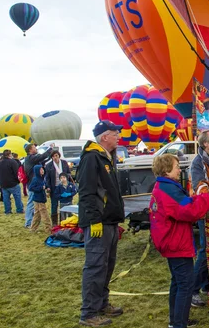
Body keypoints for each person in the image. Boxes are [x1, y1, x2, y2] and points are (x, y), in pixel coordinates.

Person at [149, 154, 209, 328]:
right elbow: (189, 211)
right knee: (186, 285)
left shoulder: (165, 186)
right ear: (166, 170)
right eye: (176, 166)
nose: (180, 169)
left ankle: (176, 320)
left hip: (171, 241)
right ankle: (179, 324)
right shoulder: (168, 189)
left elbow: (185, 202)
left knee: (177, 283)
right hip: (176, 243)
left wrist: (198, 198)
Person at [78, 120, 125, 327]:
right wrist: (94, 219)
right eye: (115, 134)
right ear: (104, 136)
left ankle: (102, 303)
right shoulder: (91, 158)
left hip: (109, 221)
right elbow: (87, 192)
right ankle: (88, 313)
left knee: (107, 265)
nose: (118, 137)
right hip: (99, 222)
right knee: (96, 266)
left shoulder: (106, 157)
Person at [189, 130, 209, 307]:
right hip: (206, 211)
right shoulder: (198, 162)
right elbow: (199, 185)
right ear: (206, 144)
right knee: (206, 249)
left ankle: (207, 286)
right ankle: (192, 290)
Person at [24, 143, 55, 228]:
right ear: (30, 150)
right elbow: (42, 157)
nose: (36, 148)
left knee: (36, 207)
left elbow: (43, 159)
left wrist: (50, 155)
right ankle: (28, 222)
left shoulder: (33, 159)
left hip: (36, 184)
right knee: (31, 204)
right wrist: (50, 148)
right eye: (34, 147)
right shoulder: (30, 158)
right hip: (33, 185)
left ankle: (33, 224)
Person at [44, 151, 72, 226]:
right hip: (54, 187)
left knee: (65, 204)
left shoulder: (64, 163)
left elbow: (68, 173)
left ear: (59, 156)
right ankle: (54, 223)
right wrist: (48, 187)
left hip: (64, 186)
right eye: (53, 156)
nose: (55, 157)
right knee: (54, 205)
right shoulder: (49, 165)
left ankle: (65, 221)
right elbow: (47, 178)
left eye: (56, 155)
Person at [0, 150, 23, 215]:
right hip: (13, 183)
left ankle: (7, 211)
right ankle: (19, 210)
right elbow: (16, 173)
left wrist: (0, 181)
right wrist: (17, 180)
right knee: (17, 197)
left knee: (6, 198)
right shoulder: (12, 162)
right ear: (9, 155)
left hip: (3, 183)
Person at [29, 165, 52, 234]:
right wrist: (41, 188)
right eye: (40, 170)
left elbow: (44, 185)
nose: (42, 171)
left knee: (37, 214)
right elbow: (31, 188)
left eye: (43, 169)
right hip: (38, 199)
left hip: (41, 198)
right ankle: (48, 229)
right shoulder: (35, 179)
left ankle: (33, 228)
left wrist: (47, 188)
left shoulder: (42, 178)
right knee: (45, 214)